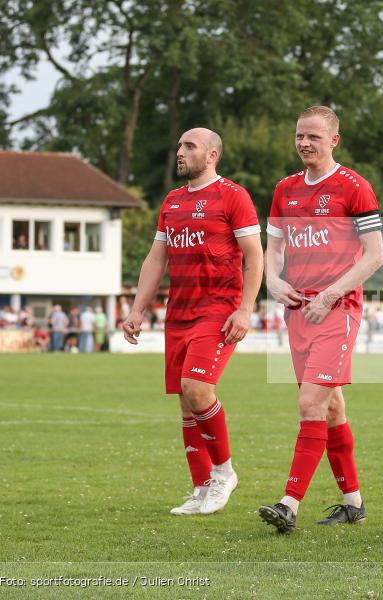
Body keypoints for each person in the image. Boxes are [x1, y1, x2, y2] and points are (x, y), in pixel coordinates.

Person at [122, 127, 263, 515]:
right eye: (179, 145)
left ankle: (224, 473)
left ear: (212, 155)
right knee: (186, 403)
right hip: (178, 314)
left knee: (197, 387)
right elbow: (156, 258)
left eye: (189, 146)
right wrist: (137, 309)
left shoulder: (233, 196)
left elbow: (255, 255)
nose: (180, 152)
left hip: (218, 309)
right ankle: (201, 489)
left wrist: (246, 308)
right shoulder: (171, 201)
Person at [259, 106, 383, 534]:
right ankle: (353, 503)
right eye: (299, 136)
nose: (304, 143)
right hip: (298, 311)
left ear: (334, 140)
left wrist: (331, 295)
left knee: (310, 403)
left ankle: (288, 503)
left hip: (337, 311)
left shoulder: (354, 187)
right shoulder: (285, 189)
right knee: (330, 407)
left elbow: (375, 255)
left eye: (313, 136)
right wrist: (272, 281)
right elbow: (272, 248)